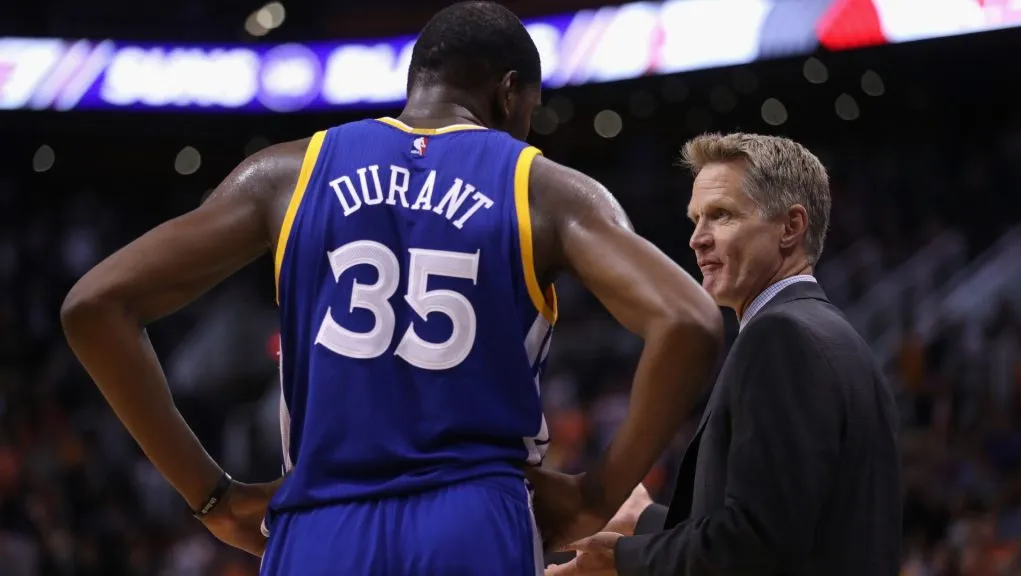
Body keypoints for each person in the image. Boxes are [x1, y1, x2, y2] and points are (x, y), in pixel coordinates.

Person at [59, 3, 723, 575]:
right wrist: (595, 495)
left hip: (321, 520)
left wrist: (212, 497)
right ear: (510, 92)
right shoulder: (545, 189)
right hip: (472, 516)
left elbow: (95, 306)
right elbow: (689, 320)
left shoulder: (286, 174)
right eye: (531, 111)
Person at [546, 133, 902, 576]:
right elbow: (780, 523)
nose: (697, 239)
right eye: (696, 219)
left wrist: (620, 561)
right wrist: (643, 521)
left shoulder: (781, 338)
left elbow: (754, 546)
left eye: (721, 216)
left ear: (790, 227)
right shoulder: (834, 337)